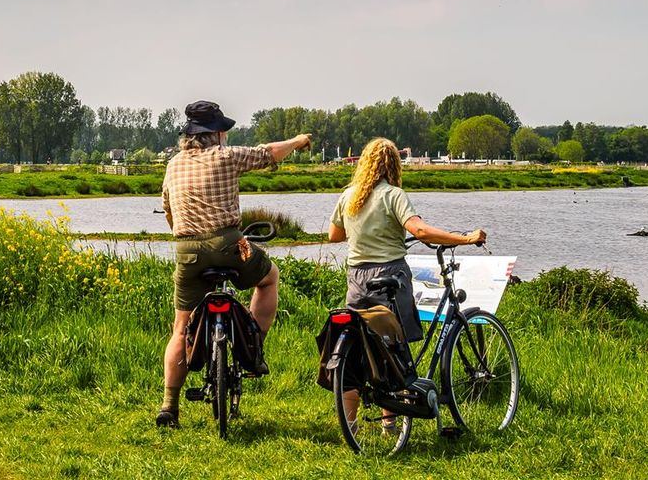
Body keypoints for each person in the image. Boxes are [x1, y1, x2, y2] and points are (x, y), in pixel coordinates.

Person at [156, 100, 312, 428]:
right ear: (216, 133)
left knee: (180, 328)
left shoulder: (173, 165)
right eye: (223, 130)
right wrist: (298, 142)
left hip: (187, 252)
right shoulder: (226, 157)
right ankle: (252, 348)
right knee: (269, 278)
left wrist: (186, 235)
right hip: (230, 244)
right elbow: (267, 152)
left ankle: (169, 405)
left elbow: (169, 211)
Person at [327, 137, 485, 434]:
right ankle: (390, 423)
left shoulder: (348, 196)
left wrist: (364, 231)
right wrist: (466, 238)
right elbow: (420, 230)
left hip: (357, 278)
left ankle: (350, 424)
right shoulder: (393, 194)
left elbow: (335, 235)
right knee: (394, 346)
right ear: (394, 165)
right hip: (390, 274)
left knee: (361, 348)